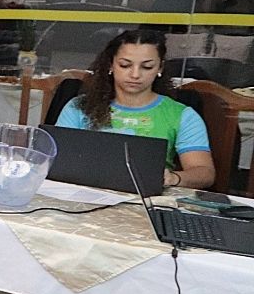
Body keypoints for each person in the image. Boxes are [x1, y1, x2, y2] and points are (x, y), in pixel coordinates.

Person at [55, 29, 214, 189]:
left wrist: (173, 178)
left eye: (147, 67)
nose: (135, 74)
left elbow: (204, 172)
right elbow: (56, 158)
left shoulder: (182, 115)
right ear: (111, 65)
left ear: (160, 68)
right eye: (125, 65)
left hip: (146, 196)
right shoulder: (78, 108)